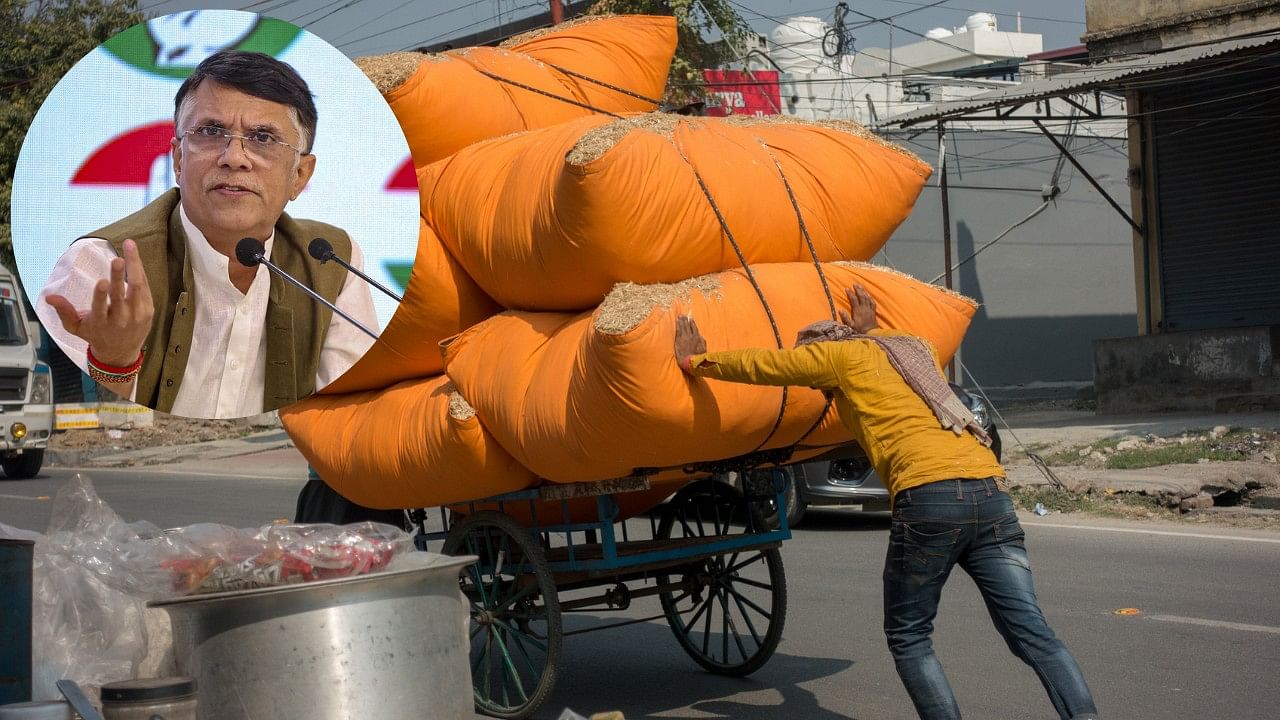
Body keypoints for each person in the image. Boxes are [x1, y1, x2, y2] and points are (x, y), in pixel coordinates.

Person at [674, 285, 1099, 720]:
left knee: (909, 636)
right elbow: (885, 362)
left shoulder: (837, 357)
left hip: (929, 500)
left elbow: (765, 365)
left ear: (822, 347)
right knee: (1032, 632)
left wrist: (697, 362)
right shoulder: (913, 350)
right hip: (991, 493)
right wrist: (870, 330)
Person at [37, 50, 376, 418]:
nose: (234, 157)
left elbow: (347, 410)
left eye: (262, 138)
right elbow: (89, 423)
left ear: (300, 175)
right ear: (179, 161)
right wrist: (115, 360)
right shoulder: (102, 265)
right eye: (211, 132)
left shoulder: (330, 260)